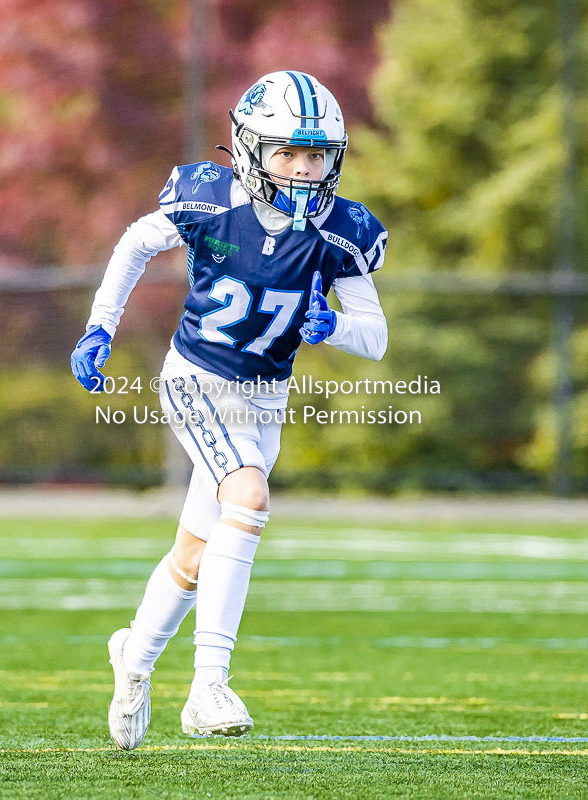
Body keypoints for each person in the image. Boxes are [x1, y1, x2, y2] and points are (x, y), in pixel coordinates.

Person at [71, 70, 389, 750]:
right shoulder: (211, 200)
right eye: (287, 154)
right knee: (249, 495)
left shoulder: (341, 232)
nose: (304, 170)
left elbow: (376, 334)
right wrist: (101, 325)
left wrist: (332, 326)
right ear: (250, 149)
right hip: (196, 380)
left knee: (193, 556)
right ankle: (208, 685)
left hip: (264, 401)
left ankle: (133, 661)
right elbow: (135, 243)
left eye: (316, 156)